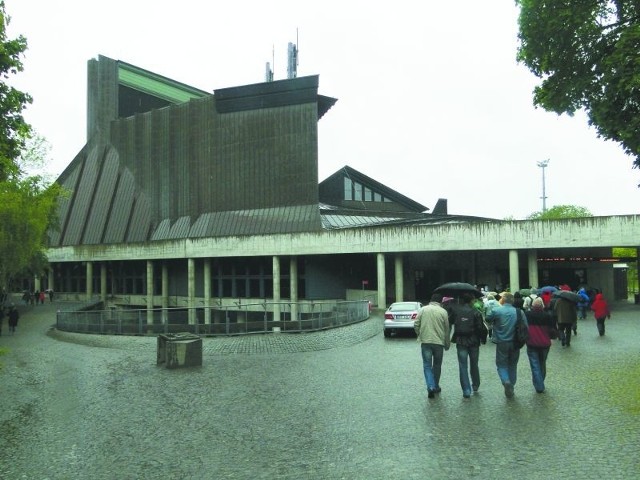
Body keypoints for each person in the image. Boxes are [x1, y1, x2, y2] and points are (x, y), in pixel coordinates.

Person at [486, 291, 524, 398]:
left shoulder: (497, 310)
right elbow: (525, 326)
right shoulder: (519, 312)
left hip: (501, 342)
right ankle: (511, 384)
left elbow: (487, 318)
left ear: (503, 300)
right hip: (515, 342)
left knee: (501, 364)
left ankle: (506, 381)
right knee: (513, 364)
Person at [450, 293, 488, 398]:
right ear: (471, 301)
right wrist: (483, 339)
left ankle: (466, 390)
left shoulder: (457, 311)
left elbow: (451, 321)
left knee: (462, 366)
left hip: (460, 341)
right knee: (474, 364)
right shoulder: (476, 312)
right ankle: (475, 385)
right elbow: (481, 328)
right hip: (474, 342)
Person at [414, 293, 451, 399]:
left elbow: (416, 324)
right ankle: (435, 386)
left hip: (426, 342)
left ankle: (430, 386)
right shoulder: (443, 312)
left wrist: (419, 333)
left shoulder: (423, 310)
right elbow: (447, 330)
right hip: (439, 343)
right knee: (437, 365)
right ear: (440, 302)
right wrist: (447, 344)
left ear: (431, 300)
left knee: (427, 365)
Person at [524, 298, 556, 393]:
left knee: (535, 365)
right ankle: (540, 382)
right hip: (545, 344)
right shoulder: (548, 316)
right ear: (542, 306)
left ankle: (539, 385)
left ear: (532, 306)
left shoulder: (527, 315)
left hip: (532, 343)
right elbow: (552, 330)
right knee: (542, 363)